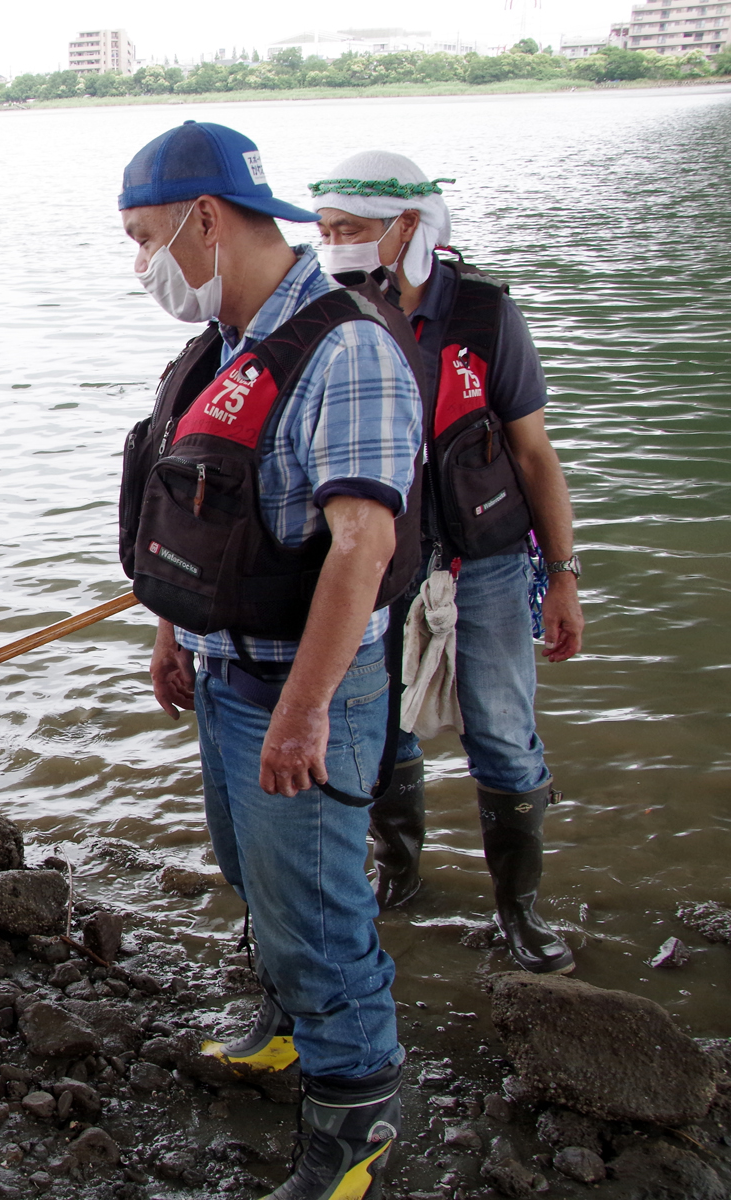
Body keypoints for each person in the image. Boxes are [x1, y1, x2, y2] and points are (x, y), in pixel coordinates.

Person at [116, 121, 422, 1200]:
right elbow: (198, 510)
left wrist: (303, 712)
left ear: (207, 220)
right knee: (261, 883)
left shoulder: (346, 349)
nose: (140, 264)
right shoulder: (224, 347)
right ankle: (289, 1024)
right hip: (223, 672)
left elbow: (363, 543)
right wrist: (172, 629)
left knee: (323, 914)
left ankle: (356, 1122)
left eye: (145, 237)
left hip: (307, 691)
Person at [311, 151, 584, 975]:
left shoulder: (487, 317)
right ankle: (398, 869)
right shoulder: (331, 318)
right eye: (323, 232)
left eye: (350, 231)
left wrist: (563, 575)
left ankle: (520, 910)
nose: (332, 247)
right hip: (378, 567)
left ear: (409, 228)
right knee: (381, 724)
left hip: (488, 562)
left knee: (503, 734)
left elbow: (534, 455)